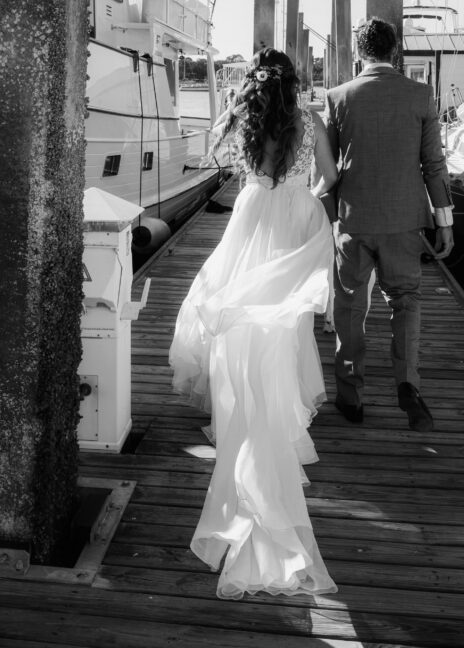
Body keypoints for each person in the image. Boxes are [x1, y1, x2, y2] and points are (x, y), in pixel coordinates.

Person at [169, 47, 339, 600]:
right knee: (284, 324)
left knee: (239, 317)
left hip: (252, 211)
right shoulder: (309, 118)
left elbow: (240, 169)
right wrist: (304, 197)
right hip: (296, 216)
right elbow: (330, 176)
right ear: (297, 80)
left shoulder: (246, 117)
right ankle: (275, 415)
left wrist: (267, 189)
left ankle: (241, 416)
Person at [322, 17, 453, 433]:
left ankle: (351, 396)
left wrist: (325, 217)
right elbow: (434, 164)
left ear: (359, 53)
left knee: (350, 307)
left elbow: (327, 172)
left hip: (353, 220)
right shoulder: (420, 95)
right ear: (394, 51)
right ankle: (408, 386)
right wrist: (444, 221)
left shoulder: (337, 97)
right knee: (406, 301)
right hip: (404, 221)